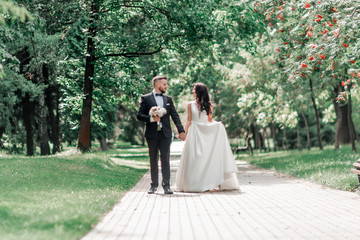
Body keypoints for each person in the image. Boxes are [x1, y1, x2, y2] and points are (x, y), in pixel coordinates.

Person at [175, 83, 240, 192]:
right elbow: (189, 120)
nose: (192, 91)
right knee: (193, 158)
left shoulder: (209, 105)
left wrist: (217, 124)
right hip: (194, 133)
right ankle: (192, 184)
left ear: (199, 91)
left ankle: (206, 182)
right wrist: (184, 132)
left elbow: (209, 120)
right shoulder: (190, 104)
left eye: (194, 89)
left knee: (204, 159)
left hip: (205, 134)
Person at [137, 76, 186, 194]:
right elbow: (139, 115)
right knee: (153, 159)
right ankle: (153, 185)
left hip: (165, 134)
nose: (166, 86)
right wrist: (152, 119)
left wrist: (181, 130)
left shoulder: (168, 99)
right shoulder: (146, 98)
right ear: (157, 84)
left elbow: (175, 116)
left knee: (165, 159)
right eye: (164, 84)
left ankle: (166, 186)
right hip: (152, 133)